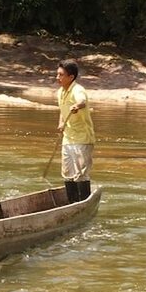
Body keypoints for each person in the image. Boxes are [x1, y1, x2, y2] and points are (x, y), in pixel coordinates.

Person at [56, 59, 95, 203]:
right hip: (68, 137)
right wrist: (61, 123)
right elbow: (63, 110)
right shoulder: (60, 92)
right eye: (57, 74)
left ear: (71, 77)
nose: (57, 78)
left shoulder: (77, 90)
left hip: (82, 138)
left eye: (61, 75)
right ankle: (71, 203)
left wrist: (77, 106)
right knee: (67, 173)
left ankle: (83, 204)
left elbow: (82, 101)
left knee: (80, 174)